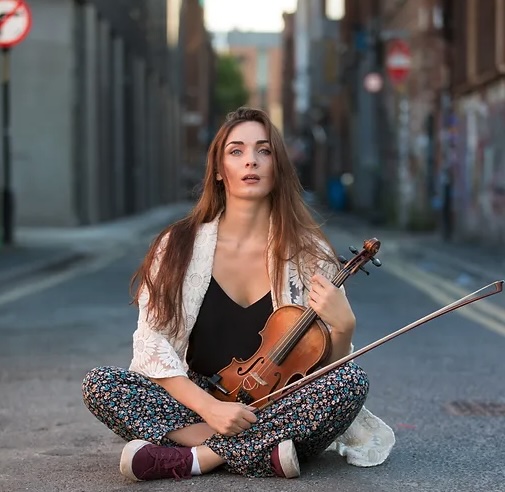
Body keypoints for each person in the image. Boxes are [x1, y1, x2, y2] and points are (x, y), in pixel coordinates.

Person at [82, 107, 395, 482]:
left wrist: (343, 329)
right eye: (237, 151)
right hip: (199, 399)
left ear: (278, 166)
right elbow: (153, 345)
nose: (251, 160)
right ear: (218, 170)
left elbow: (319, 370)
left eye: (264, 151)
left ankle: (198, 457)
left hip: (273, 405)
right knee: (102, 384)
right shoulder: (177, 245)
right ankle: (265, 452)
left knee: (350, 382)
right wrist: (212, 408)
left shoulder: (309, 252)